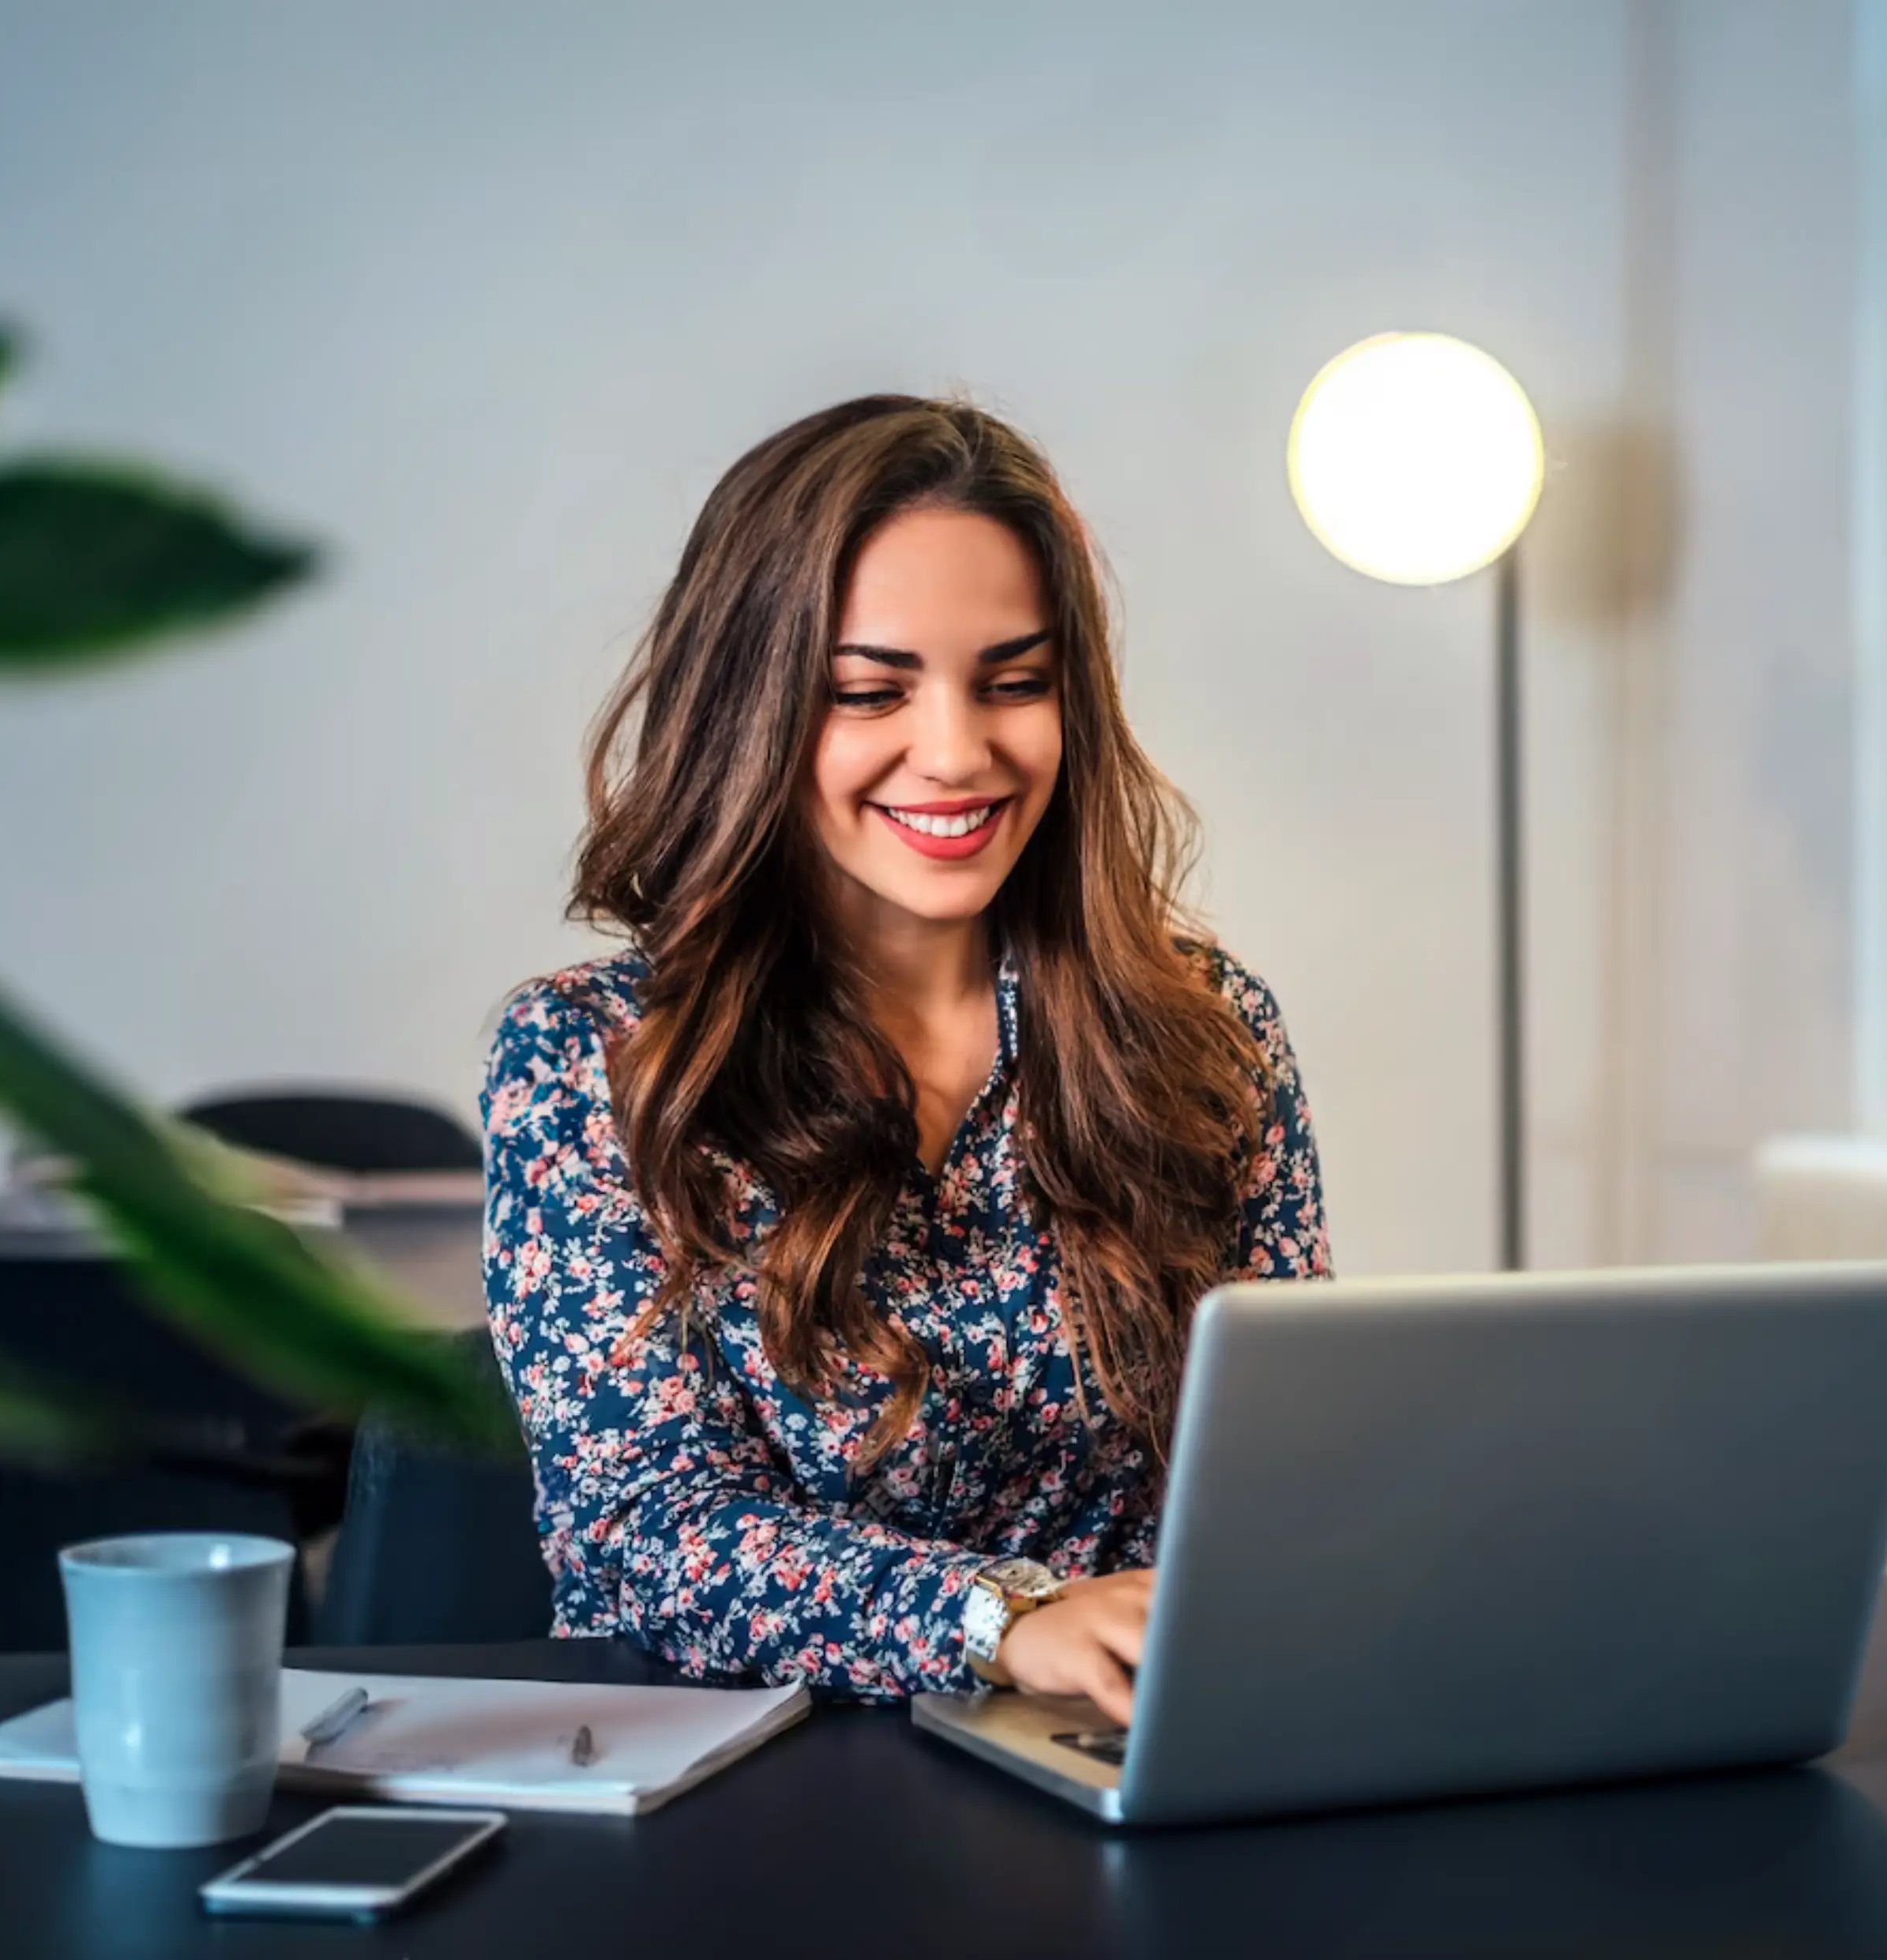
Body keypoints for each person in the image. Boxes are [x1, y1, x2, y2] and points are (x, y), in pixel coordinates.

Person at [482, 396, 1329, 1722]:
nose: (955, 752)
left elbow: (1289, 1465)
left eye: (1014, 682)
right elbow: (642, 1532)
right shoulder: (595, 1056)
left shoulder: (1210, 1030)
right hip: (736, 1784)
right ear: (750, 710)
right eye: (869, 692)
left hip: (1120, 1752)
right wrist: (1004, 1617)